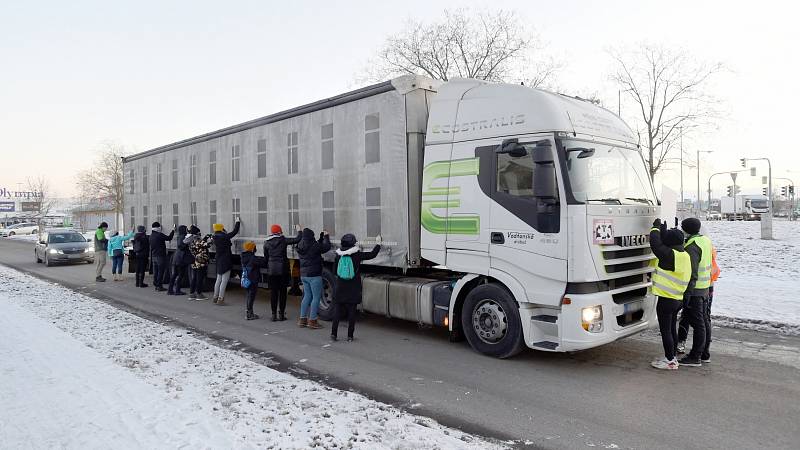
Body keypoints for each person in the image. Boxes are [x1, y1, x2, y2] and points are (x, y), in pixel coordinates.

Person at [648, 219, 692, 370]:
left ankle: (670, 361)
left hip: (667, 300)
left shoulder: (670, 255)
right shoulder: (684, 255)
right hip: (678, 299)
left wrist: (655, 228)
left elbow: (655, 245)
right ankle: (672, 356)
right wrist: (665, 229)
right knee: (672, 328)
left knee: (666, 330)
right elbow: (665, 243)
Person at [675, 217, 713, 367]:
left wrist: (687, 294)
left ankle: (695, 356)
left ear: (686, 230)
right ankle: (704, 354)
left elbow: (692, 273)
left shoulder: (692, 246)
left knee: (698, 324)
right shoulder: (705, 240)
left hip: (695, 290)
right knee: (703, 321)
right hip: (705, 287)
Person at [331, 233, 381, 342]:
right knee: (352, 312)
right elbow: (372, 255)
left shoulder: (338, 255)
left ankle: (334, 334)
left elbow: (335, 272)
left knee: (337, 312)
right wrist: (378, 244)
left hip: (340, 287)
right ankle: (350, 336)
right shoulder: (357, 255)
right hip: (353, 288)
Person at [263, 224, 302, 321]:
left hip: (272, 270)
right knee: (283, 292)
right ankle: (281, 314)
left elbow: (266, 257)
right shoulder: (283, 240)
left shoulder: (267, 242)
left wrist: (270, 263)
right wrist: (299, 230)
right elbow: (297, 239)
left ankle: (273, 315)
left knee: (273, 292)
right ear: (280, 231)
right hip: (283, 270)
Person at [296, 227, 332, 329]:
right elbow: (326, 247)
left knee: (307, 296)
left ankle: (302, 319)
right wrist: (326, 236)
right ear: (312, 237)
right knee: (316, 298)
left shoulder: (300, 245)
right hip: (314, 275)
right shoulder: (315, 246)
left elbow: (315, 246)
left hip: (304, 275)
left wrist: (321, 239)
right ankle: (312, 321)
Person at [211, 218, 240, 305]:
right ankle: (221, 299)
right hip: (226, 261)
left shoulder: (215, 237)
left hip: (219, 260)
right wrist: (237, 222)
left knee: (218, 280)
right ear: (221, 229)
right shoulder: (224, 237)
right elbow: (234, 232)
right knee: (224, 280)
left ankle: (215, 297)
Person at [240, 241, 266, 320]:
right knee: (251, 296)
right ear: (252, 248)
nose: (255, 248)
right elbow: (263, 263)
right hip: (253, 279)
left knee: (249, 295)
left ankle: (249, 312)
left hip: (247, 279)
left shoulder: (243, 256)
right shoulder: (252, 258)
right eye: (254, 247)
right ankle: (249, 313)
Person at [185, 225, 212, 300]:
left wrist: (206, 238)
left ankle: (192, 293)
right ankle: (199, 294)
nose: (200, 234)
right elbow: (207, 245)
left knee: (194, 278)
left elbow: (200, 245)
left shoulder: (191, 240)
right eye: (199, 233)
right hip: (200, 262)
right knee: (200, 278)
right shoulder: (198, 240)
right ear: (197, 233)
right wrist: (212, 239)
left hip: (194, 261)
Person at [149, 221, 175, 292]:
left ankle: (156, 285)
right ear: (158, 228)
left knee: (156, 272)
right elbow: (169, 238)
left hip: (154, 256)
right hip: (160, 256)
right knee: (161, 272)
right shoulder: (159, 235)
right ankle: (159, 286)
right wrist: (173, 230)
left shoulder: (151, 236)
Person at [167, 225, 192, 295]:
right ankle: (177, 290)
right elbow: (181, 246)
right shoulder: (183, 237)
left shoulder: (180, 236)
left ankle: (170, 290)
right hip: (181, 259)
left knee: (175, 274)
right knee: (180, 275)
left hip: (177, 258)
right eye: (186, 229)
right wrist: (187, 242)